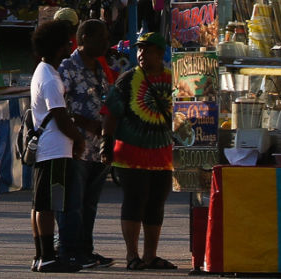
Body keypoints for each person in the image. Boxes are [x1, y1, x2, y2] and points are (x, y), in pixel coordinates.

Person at [103, 31, 175, 270]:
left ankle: (150, 256)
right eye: (139, 49)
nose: (142, 54)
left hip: (162, 154)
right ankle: (132, 255)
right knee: (135, 201)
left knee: (156, 204)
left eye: (148, 49)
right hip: (130, 153)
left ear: (160, 53)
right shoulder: (127, 80)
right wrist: (107, 145)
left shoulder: (174, 80)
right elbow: (111, 114)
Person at [59, 19, 119, 269]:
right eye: (101, 38)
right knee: (73, 202)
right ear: (84, 38)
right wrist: (85, 123)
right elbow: (57, 108)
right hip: (76, 146)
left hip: (98, 147)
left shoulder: (101, 68)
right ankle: (69, 251)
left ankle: (86, 251)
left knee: (89, 204)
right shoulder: (67, 68)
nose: (107, 43)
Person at [29, 18, 85, 273]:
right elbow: (61, 118)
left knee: (40, 204)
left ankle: (41, 255)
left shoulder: (42, 72)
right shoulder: (51, 78)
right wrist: (79, 138)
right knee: (49, 205)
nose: (68, 47)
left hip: (47, 148)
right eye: (65, 43)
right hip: (55, 149)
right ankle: (48, 257)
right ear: (58, 46)